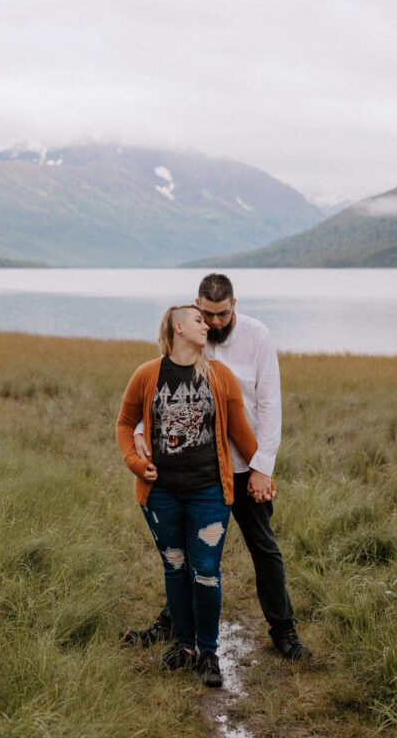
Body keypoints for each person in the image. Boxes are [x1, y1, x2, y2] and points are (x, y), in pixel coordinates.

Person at [125, 273, 312, 663]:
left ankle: (284, 630)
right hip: (197, 467)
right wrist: (142, 432)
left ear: (234, 306)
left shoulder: (257, 337)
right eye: (206, 315)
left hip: (244, 464)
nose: (214, 323)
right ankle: (174, 625)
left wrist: (262, 466)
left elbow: (269, 405)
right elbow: (161, 396)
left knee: (263, 546)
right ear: (196, 307)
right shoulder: (188, 333)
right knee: (191, 555)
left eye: (222, 315)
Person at [116, 304, 258, 688]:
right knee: (175, 567)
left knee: (206, 572)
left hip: (209, 494)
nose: (207, 325)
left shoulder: (220, 376)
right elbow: (126, 423)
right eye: (198, 320)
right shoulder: (147, 374)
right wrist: (134, 461)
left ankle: (208, 652)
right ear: (178, 327)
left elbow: (241, 434)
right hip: (160, 496)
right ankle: (184, 647)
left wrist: (262, 470)